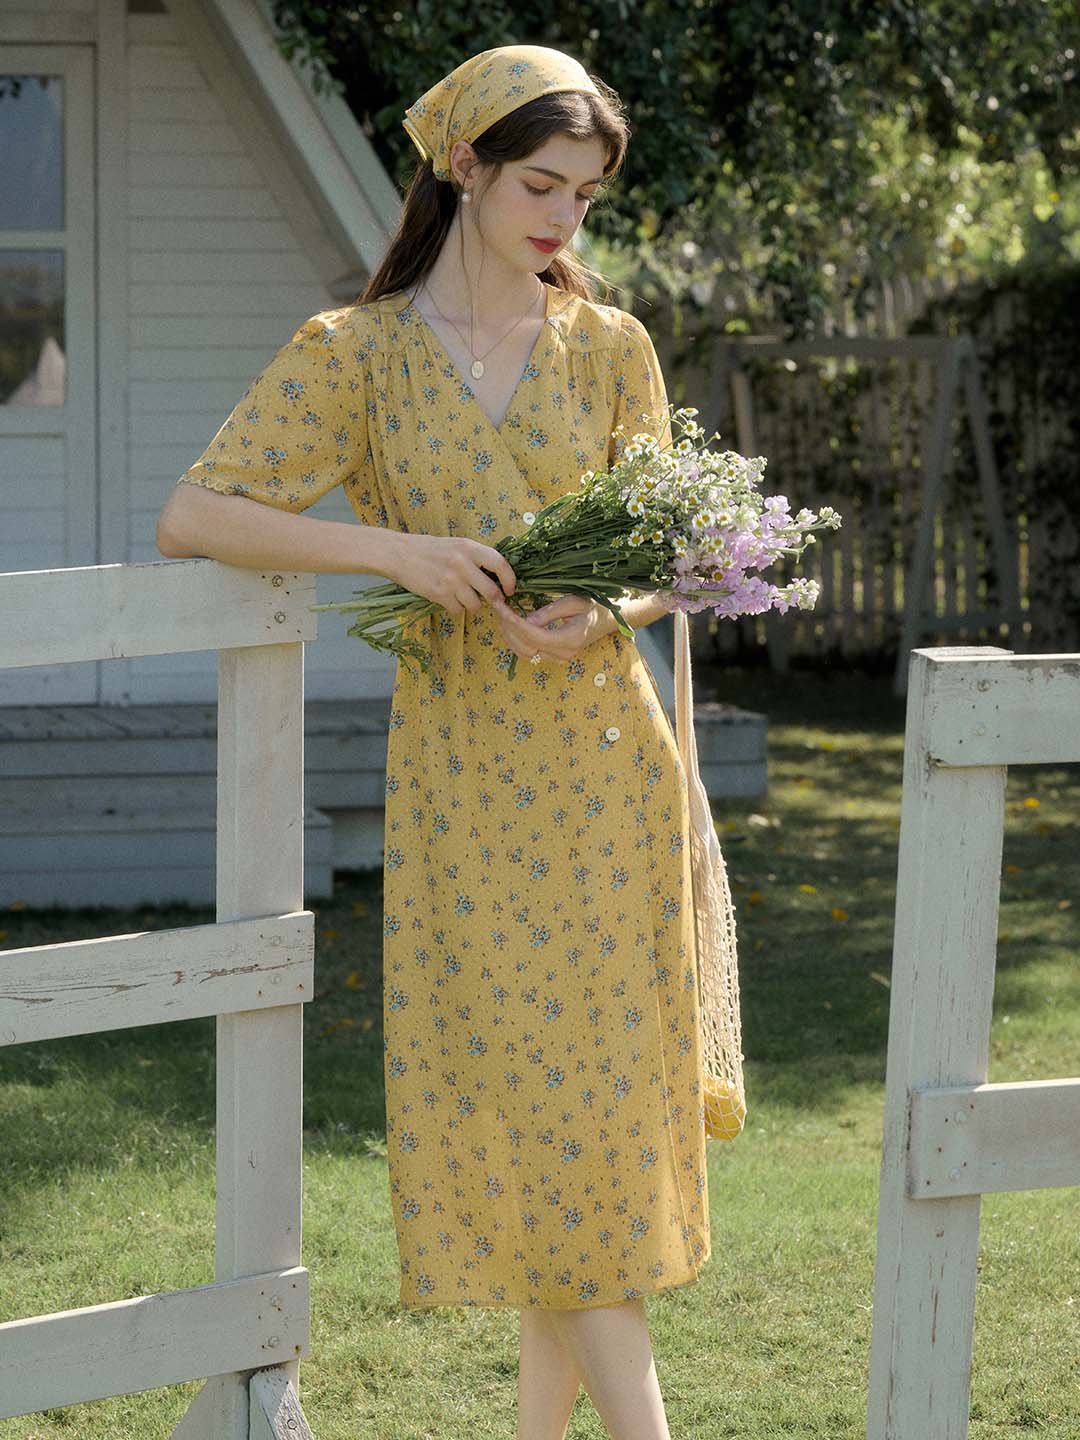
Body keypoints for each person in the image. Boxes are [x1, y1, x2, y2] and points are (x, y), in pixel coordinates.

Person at [156, 43, 710, 1440]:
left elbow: (680, 554)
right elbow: (198, 513)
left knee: (589, 1130)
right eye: (541, 185)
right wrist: (397, 552)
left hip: (610, 761)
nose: (563, 218)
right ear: (464, 165)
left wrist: (611, 604)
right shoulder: (354, 355)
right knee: (540, 1119)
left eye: (584, 194)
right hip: (466, 774)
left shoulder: (611, 346)